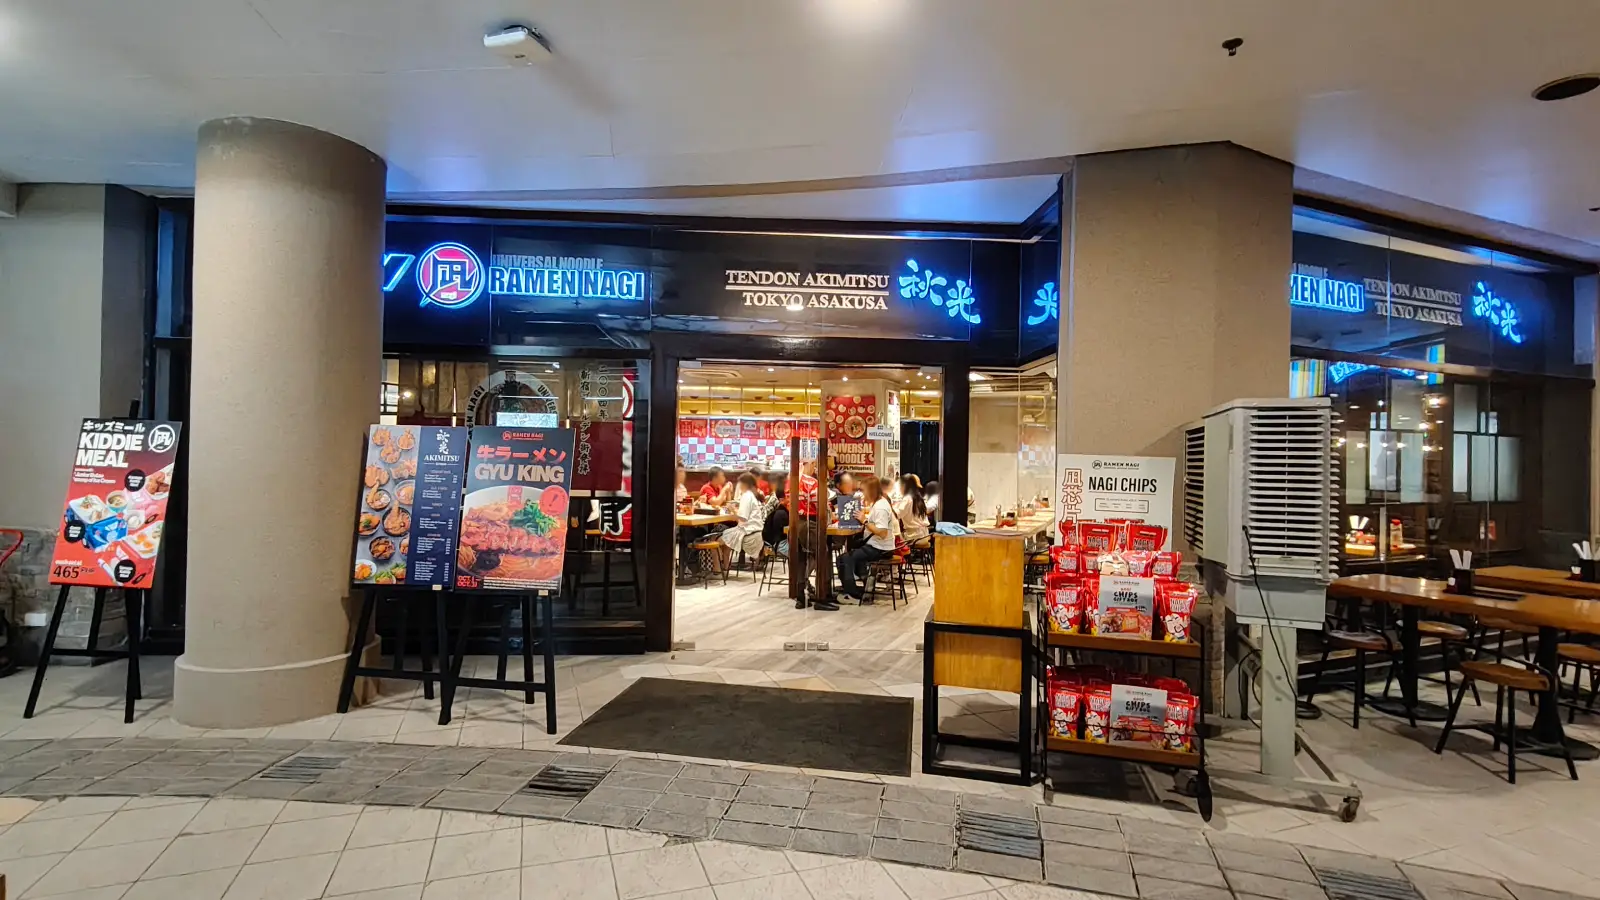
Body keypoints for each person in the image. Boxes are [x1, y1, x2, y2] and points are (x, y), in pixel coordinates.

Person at [837, 477, 896, 603]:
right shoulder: (879, 503)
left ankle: (852, 593)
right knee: (849, 555)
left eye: (863, 491)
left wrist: (864, 520)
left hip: (880, 548)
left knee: (845, 558)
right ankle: (860, 589)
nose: (862, 494)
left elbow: (882, 533)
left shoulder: (880, 507)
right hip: (878, 546)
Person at [719, 473, 766, 570]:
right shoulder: (751, 495)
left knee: (717, 540)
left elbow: (743, 518)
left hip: (747, 533)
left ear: (744, 484)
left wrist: (732, 511)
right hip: (755, 532)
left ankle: (718, 569)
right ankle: (725, 567)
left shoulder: (746, 496)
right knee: (725, 539)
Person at [894, 474, 930, 543]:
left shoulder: (907, 498)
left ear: (904, 486)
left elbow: (898, 514)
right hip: (924, 535)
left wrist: (891, 507)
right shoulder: (918, 496)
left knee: (893, 540)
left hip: (913, 536)